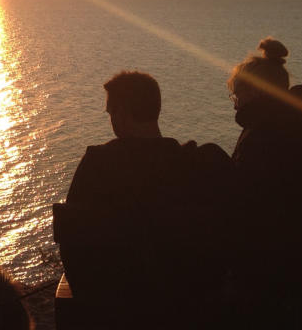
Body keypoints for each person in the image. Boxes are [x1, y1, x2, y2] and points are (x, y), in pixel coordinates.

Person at [58, 71, 233, 328]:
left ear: (122, 114)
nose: (111, 120)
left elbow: (72, 243)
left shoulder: (98, 165)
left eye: (110, 113)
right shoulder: (197, 164)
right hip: (187, 307)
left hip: (116, 311)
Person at [227, 38, 302, 326]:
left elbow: (246, 210)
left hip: (280, 277)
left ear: (256, 91)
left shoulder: (264, 137)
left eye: (236, 95)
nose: (235, 104)